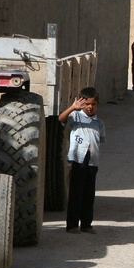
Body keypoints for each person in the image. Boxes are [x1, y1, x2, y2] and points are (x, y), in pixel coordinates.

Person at [59, 87, 105, 234]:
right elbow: (61, 119)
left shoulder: (99, 123)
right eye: (87, 104)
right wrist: (73, 107)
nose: (90, 107)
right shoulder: (75, 117)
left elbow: (100, 141)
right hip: (78, 159)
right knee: (76, 193)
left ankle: (86, 224)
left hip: (92, 161)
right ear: (82, 104)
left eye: (93, 104)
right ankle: (72, 225)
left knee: (89, 194)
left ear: (97, 104)